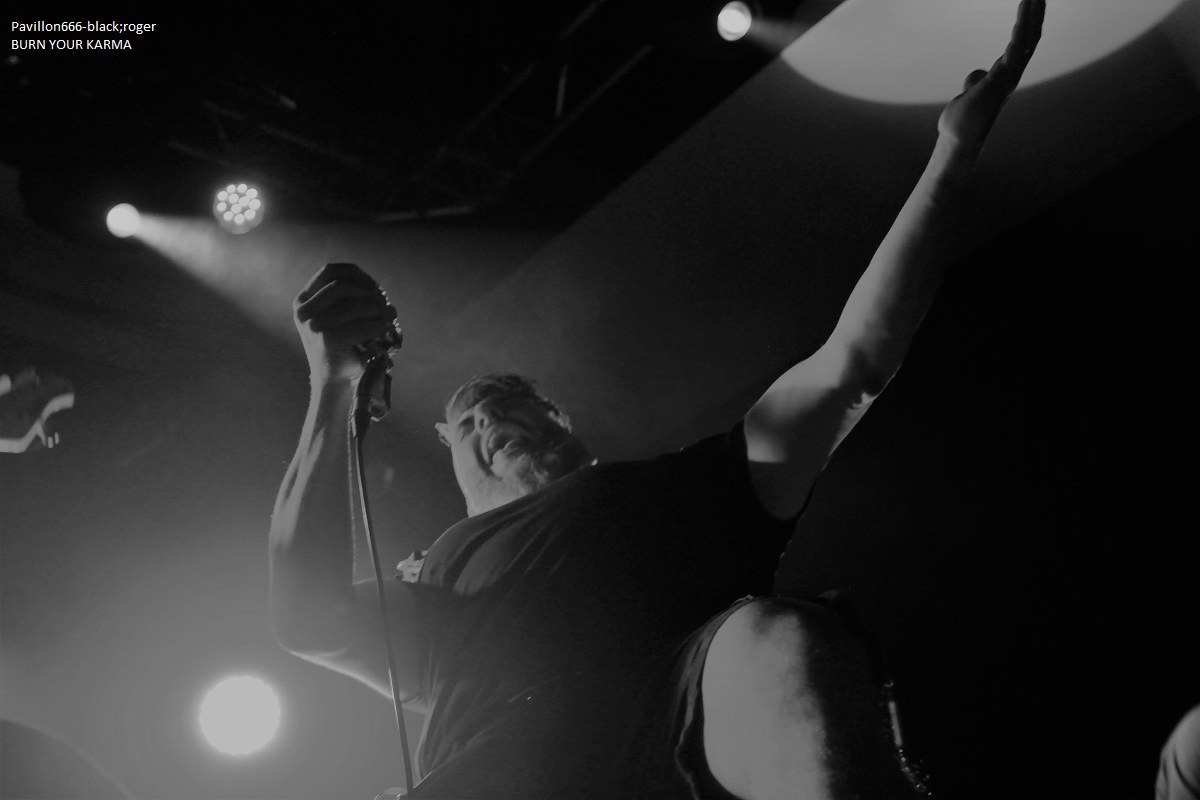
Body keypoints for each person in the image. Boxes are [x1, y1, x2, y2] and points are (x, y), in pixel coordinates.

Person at [268, 2, 1045, 797]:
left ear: (561, 419)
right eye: (468, 419)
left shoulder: (688, 488)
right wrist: (331, 387)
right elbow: (306, 618)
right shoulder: (439, 574)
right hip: (504, 763)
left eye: (512, 401)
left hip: (683, 726)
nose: (491, 417)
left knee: (776, 637)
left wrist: (952, 155)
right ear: (448, 451)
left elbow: (853, 363)